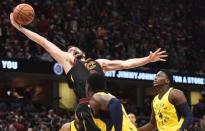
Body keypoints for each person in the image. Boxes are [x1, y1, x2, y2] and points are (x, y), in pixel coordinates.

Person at [10, 12, 167, 131]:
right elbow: (43, 42)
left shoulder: (99, 63)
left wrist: (147, 59)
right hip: (88, 107)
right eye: (69, 50)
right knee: (65, 128)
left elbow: (126, 64)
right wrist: (20, 28)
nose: (72, 49)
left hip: (106, 104)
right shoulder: (69, 62)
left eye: (74, 48)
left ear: (83, 52)